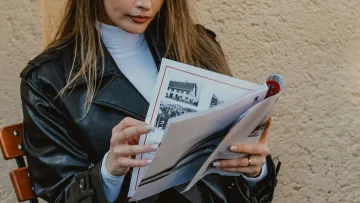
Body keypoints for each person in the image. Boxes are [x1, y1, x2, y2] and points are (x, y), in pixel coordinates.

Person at [20, 0, 280, 202]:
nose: (146, 4)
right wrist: (109, 172)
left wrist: (256, 171)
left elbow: (235, 178)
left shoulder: (199, 47)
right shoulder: (49, 79)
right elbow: (62, 193)